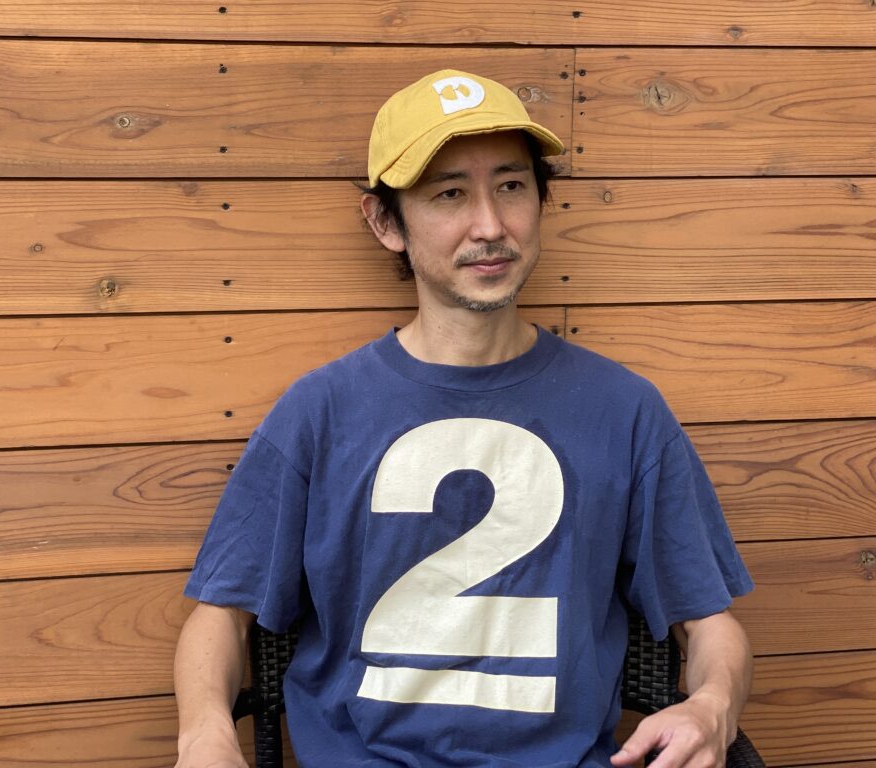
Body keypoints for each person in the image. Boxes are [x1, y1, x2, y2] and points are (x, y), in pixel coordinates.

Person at [174, 69, 754, 768]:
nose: (490, 226)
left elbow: (709, 623)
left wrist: (713, 704)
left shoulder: (625, 410)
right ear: (385, 222)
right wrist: (204, 733)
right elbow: (221, 614)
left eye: (511, 186)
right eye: (449, 194)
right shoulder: (319, 411)